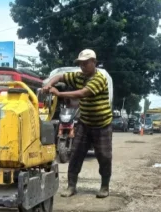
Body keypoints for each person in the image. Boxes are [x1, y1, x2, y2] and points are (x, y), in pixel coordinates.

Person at [43, 49, 113, 198]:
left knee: (105, 157)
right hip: (85, 122)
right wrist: (49, 84)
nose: (82, 66)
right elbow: (60, 76)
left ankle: (105, 186)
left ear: (94, 62)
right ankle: (71, 186)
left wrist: (59, 93)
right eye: (80, 64)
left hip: (102, 125)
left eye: (85, 63)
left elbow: (81, 93)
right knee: (75, 154)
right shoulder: (79, 76)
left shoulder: (99, 78)